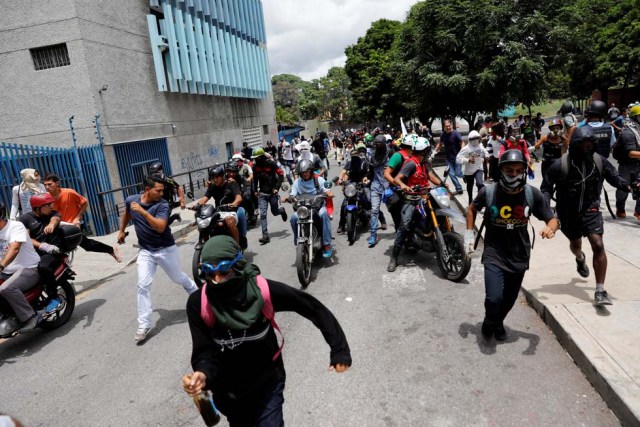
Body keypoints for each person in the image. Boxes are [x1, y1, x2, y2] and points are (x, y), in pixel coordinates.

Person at [181, 235, 351, 425]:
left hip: (267, 382)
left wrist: (339, 350)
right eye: (211, 275)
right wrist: (202, 375)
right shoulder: (199, 303)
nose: (218, 281)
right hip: (229, 393)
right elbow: (204, 351)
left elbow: (311, 307)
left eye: (224, 272)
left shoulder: (261, 291)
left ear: (238, 267)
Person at [465, 149, 558, 340]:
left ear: (524, 171)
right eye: (509, 170)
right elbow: (472, 209)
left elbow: (552, 218)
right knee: (494, 298)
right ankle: (490, 319)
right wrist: (468, 235)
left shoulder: (532, 194)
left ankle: (497, 322)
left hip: (519, 254)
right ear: (501, 170)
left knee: (509, 298)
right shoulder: (488, 191)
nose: (513, 175)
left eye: (518, 170)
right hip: (494, 252)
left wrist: (551, 228)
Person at [542, 126, 631, 306]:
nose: (586, 148)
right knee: (576, 245)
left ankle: (600, 290)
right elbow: (545, 188)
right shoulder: (560, 164)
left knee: (598, 245)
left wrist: (628, 186)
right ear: (574, 144)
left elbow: (614, 177)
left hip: (591, 210)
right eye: (582, 144)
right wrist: (546, 211)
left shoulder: (600, 161)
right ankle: (580, 258)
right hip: (567, 213)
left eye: (590, 145)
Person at [117, 176, 198, 342]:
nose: (162, 193)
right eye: (158, 190)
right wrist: (121, 231)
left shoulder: (162, 204)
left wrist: (143, 212)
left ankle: (198, 294)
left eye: (162, 190)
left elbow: (161, 227)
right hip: (146, 251)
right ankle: (144, 324)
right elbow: (127, 212)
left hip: (165, 250)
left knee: (178, 278)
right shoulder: (131, 200)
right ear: (147, 189)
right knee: (143, 285)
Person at [387, 137, 448, 272]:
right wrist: (403, 186)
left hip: (426, 195)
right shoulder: (411, 163)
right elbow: (397, 178)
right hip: (412, 199)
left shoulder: (424, 162)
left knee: (443, 212)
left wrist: (442, 184)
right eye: (428, 149)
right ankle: (394, 257)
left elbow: (430, 176)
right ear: (424, 150)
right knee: (405, 225)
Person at [43, 173, 122, 263]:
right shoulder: (46, 197)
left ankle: (111, 250)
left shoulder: (69, 192)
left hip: (73, 226)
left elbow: (84, 202)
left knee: (87, 245)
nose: (47, 187)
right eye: (45, 185)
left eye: (50, 184)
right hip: (59, 227)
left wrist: (78, 217)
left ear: (57, 183)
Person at [18, 193, 65, 312]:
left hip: (53, 251)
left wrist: (51, 224)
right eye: (47, 205)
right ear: (37, 208)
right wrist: (42, 246)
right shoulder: (25, 219)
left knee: (43, 267)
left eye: (51, 204)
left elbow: (56, 219)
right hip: (36, 253)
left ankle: (54, 297)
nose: (51, 207)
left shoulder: (52, 214)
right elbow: (26, 238)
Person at [0, 202, 42, 333]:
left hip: (28, 268)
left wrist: (1, 266)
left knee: (6, 289)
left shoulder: (15, 226)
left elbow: (15, 248)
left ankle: (30, 317)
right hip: (7, 271)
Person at [284, 159, 334, 257]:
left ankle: (327, 244)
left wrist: (329, 193)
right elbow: (293, 193)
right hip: (304, 208)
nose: (305, 174)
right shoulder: (297, 182)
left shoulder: (318, 179)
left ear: (311, 170)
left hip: (318, 206)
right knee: (294, 218)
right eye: (302, 172)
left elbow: (326, 189)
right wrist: (289, 197)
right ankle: (298, 240)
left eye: (307, 171)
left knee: (324, 214)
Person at [197, 165, 248, 249]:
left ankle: (237, 247)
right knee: (203, 225)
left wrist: (234, 203)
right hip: (218, 212)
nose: (215, 180)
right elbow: (204, 198)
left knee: (230, 222)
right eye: (213, 178)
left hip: (230, 211)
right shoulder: (212, 186)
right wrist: (196, 205)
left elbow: (238, 198)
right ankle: (207, 247)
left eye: (217, 177)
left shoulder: (231, 184)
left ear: (222, 176)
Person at [251, 147, 287, 244]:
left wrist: (276, 188)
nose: (255, 160)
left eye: (257, 158)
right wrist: (254, 190)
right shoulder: (255, 167)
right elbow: (254, 179)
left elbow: (281, 174)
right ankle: (265, 235)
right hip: (262, 194)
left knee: (275, 212)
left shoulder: (271, 164)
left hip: (272, 193)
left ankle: (281, 211)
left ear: (261, 157)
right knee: (262, 214)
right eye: (254, 158)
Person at [336, 143, 370, 235]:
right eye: (353, 156)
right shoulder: (349, 163)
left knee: (368, 200)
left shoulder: (364, 162)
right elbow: (343, 172)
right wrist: (340, 179)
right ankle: (341, 225)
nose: (354, 157)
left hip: (361, 184)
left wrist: (365, 178)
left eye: (356, 155)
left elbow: (368, 172)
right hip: (351, 185)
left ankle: (375, 217)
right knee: (344, 204)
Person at [614, 104, 640, 220]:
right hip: (627, 165)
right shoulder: (628, 132)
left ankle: (638, 211)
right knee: (623, 188)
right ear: (636, 117)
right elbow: (631, 153)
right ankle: (620, 207)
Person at [383, 134, 415, 230]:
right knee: (396, 206)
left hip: (414, 189)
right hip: (398, 190)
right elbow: (386, 174)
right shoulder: (397, 156)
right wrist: (399, 184)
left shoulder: (416, 156)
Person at [366, 135, 390, 246]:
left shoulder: (390, 153)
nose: (379, 146)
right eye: (377, 144)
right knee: (374, 210)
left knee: (395, 210)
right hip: (375, 186)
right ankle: (373, 234)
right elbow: (370, 170)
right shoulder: (371, 155)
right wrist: (366, 177)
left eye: (381, 144)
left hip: (389, 186)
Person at [456, 130, 489, 205]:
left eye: (477, 139)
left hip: (478, 168)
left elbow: (484, 151)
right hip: (469, 171)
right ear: (469, 140)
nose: (475, 141)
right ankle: (470, 199)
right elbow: (457, 159)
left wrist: (486, 156)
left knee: (480, 184)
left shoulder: (480, 145)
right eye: (473, 139)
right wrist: (467, 160)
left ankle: (480, 200)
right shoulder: (466, 149)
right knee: (470, 186)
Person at [434, 120, 464, 195]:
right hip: (448, 159)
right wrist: (434, 152)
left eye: (449, 126)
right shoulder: (443, 135)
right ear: (444, 127)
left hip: (457, 157)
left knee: (458, 173)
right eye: (446, 126)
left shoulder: (456, 133)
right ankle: (459, 188)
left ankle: (465, 176)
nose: (448, 127)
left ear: (452, 125)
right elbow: (440, 144)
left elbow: (462, 142)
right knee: (451, 174)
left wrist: (463, 151)